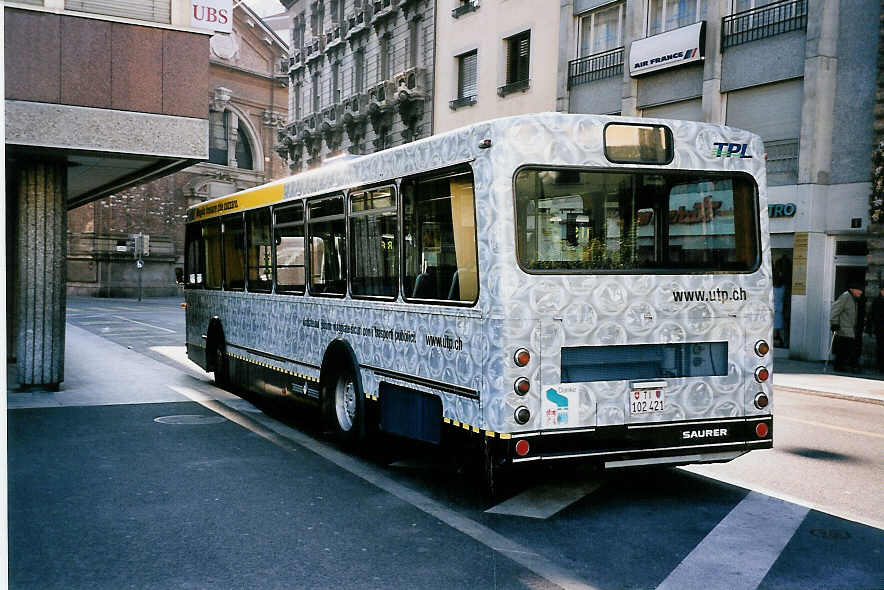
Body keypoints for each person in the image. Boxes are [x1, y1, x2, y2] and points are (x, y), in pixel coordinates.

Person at [830, 282, 864, 372]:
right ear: (852, 289)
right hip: (844, 328)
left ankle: (843, 365)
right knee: (844, 348)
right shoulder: (845, 296)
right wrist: (834, 323)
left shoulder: (853, 298)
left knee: (847, 348)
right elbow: (835, 310)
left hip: (850, 328)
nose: (861, 292)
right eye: (859, 290)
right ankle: (839, 366)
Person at [866, 286, 884, 373]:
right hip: (880, 328)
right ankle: (880, 366)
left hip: (880, 327)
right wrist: (869, 327)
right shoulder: (877, 301)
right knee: (881, 347)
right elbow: (871, 315)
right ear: (881, 291)